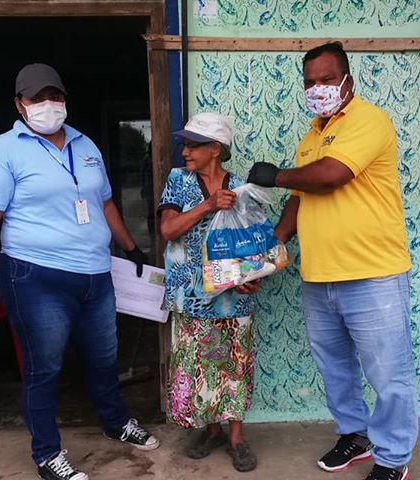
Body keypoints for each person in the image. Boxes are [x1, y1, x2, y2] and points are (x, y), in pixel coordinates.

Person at [0, 63, 158, 480]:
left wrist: (132, 247)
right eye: (36, 98)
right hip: (35, 277)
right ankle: (47, 454)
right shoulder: (3, 151)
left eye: (54, 96)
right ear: (19, 104)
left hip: (96, 275)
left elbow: (104, 203)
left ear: (64, 99)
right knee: (44, 367)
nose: (48, 104)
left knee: (104, 357)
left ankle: (115, 422)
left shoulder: (85, 144)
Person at [247, 42, 418, 480]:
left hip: (373, 274)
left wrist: (275, 175)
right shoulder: (310, 138)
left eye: (326, 79)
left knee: (389, 374)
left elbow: (331, 175)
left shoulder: (369, 120)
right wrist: (272, 247)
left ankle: (393, 458)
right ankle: (355, 435)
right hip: (319, 276)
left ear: (347, 81)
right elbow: (300, 197)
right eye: (310, 82)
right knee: (335, 368)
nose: (317, 88)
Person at [159, 112, 261, 472]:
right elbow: (168, 230)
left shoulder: (241, 189)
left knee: (235, 364)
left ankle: (236, 438)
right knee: (201, 365)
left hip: (234, 296)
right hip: (191, 295)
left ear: (215, 149)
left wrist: (254, 276)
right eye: (185, 145)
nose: (185, 151)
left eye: (193, 145)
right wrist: (207, 205)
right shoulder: (178, 181)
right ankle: (213, 430)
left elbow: (254, 243)